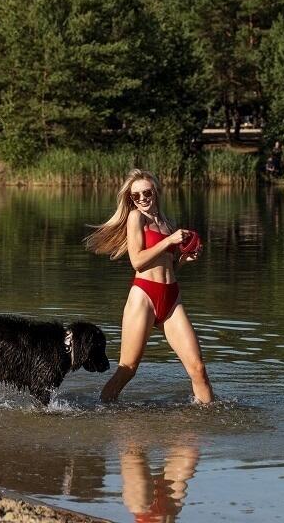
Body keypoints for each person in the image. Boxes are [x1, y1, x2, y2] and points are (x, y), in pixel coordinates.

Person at [85, 168, 214, 404]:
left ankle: (208, 422)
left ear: (155, 191)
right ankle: (101, 410)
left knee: (198, 368)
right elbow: (138, 261)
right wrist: (169, 241)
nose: (142, 198)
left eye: (146, 192)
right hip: (143, 296)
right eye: (136, 196)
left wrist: (184, 259)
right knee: (128, 368)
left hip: (171, 297)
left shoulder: (168, 222)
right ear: (131, 199)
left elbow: (168, 266)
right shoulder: (137, 218)